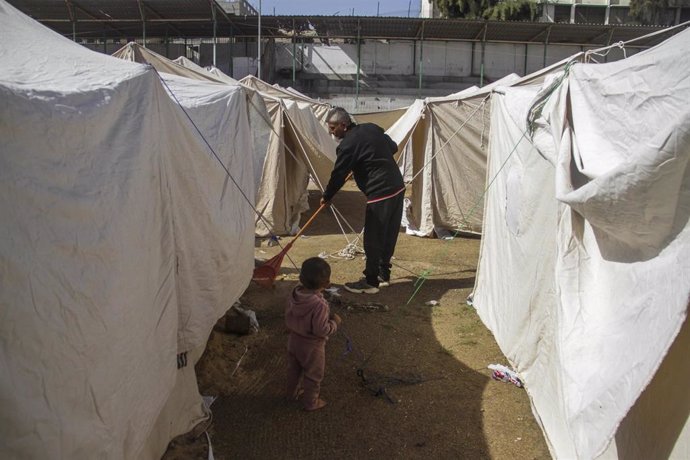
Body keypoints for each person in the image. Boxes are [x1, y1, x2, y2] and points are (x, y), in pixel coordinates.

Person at [320, 107, 405, 294]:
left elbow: (339, 174)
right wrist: (369, 157)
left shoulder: (347, 145)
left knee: (373, 237)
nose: (331, 132)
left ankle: (371, 281)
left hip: (380, 191)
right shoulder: (371, 128)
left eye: (333, 128)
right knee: (389, 233)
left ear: (344, 125)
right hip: (397, 186)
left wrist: (327, 196)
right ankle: (384, 274)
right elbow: (393, 147)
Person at [285, 257, 342, 411]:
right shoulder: (320, 304)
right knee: (313, 375)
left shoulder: (294, 293)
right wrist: (334, 323)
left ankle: (291, 393)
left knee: (293, 370)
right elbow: (321, 330)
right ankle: (311, 402)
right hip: (312, 346)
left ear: (300, 278)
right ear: (326, 283)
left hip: (293, 340)